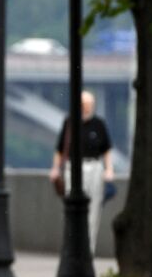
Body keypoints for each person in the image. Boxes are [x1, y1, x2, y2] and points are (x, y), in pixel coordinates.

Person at [49, 90, 114, 252]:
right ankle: (72, 248)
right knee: (72, 208)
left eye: (90, 105)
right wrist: (55, 169)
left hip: (94, 167)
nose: (87, 108)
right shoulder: (69, 123)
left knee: (93, 210)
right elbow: (59, 149)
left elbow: (106, 150)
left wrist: (109, 170)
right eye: (85, 104)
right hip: (73, 167)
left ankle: (88, 250)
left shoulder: (98, 124)